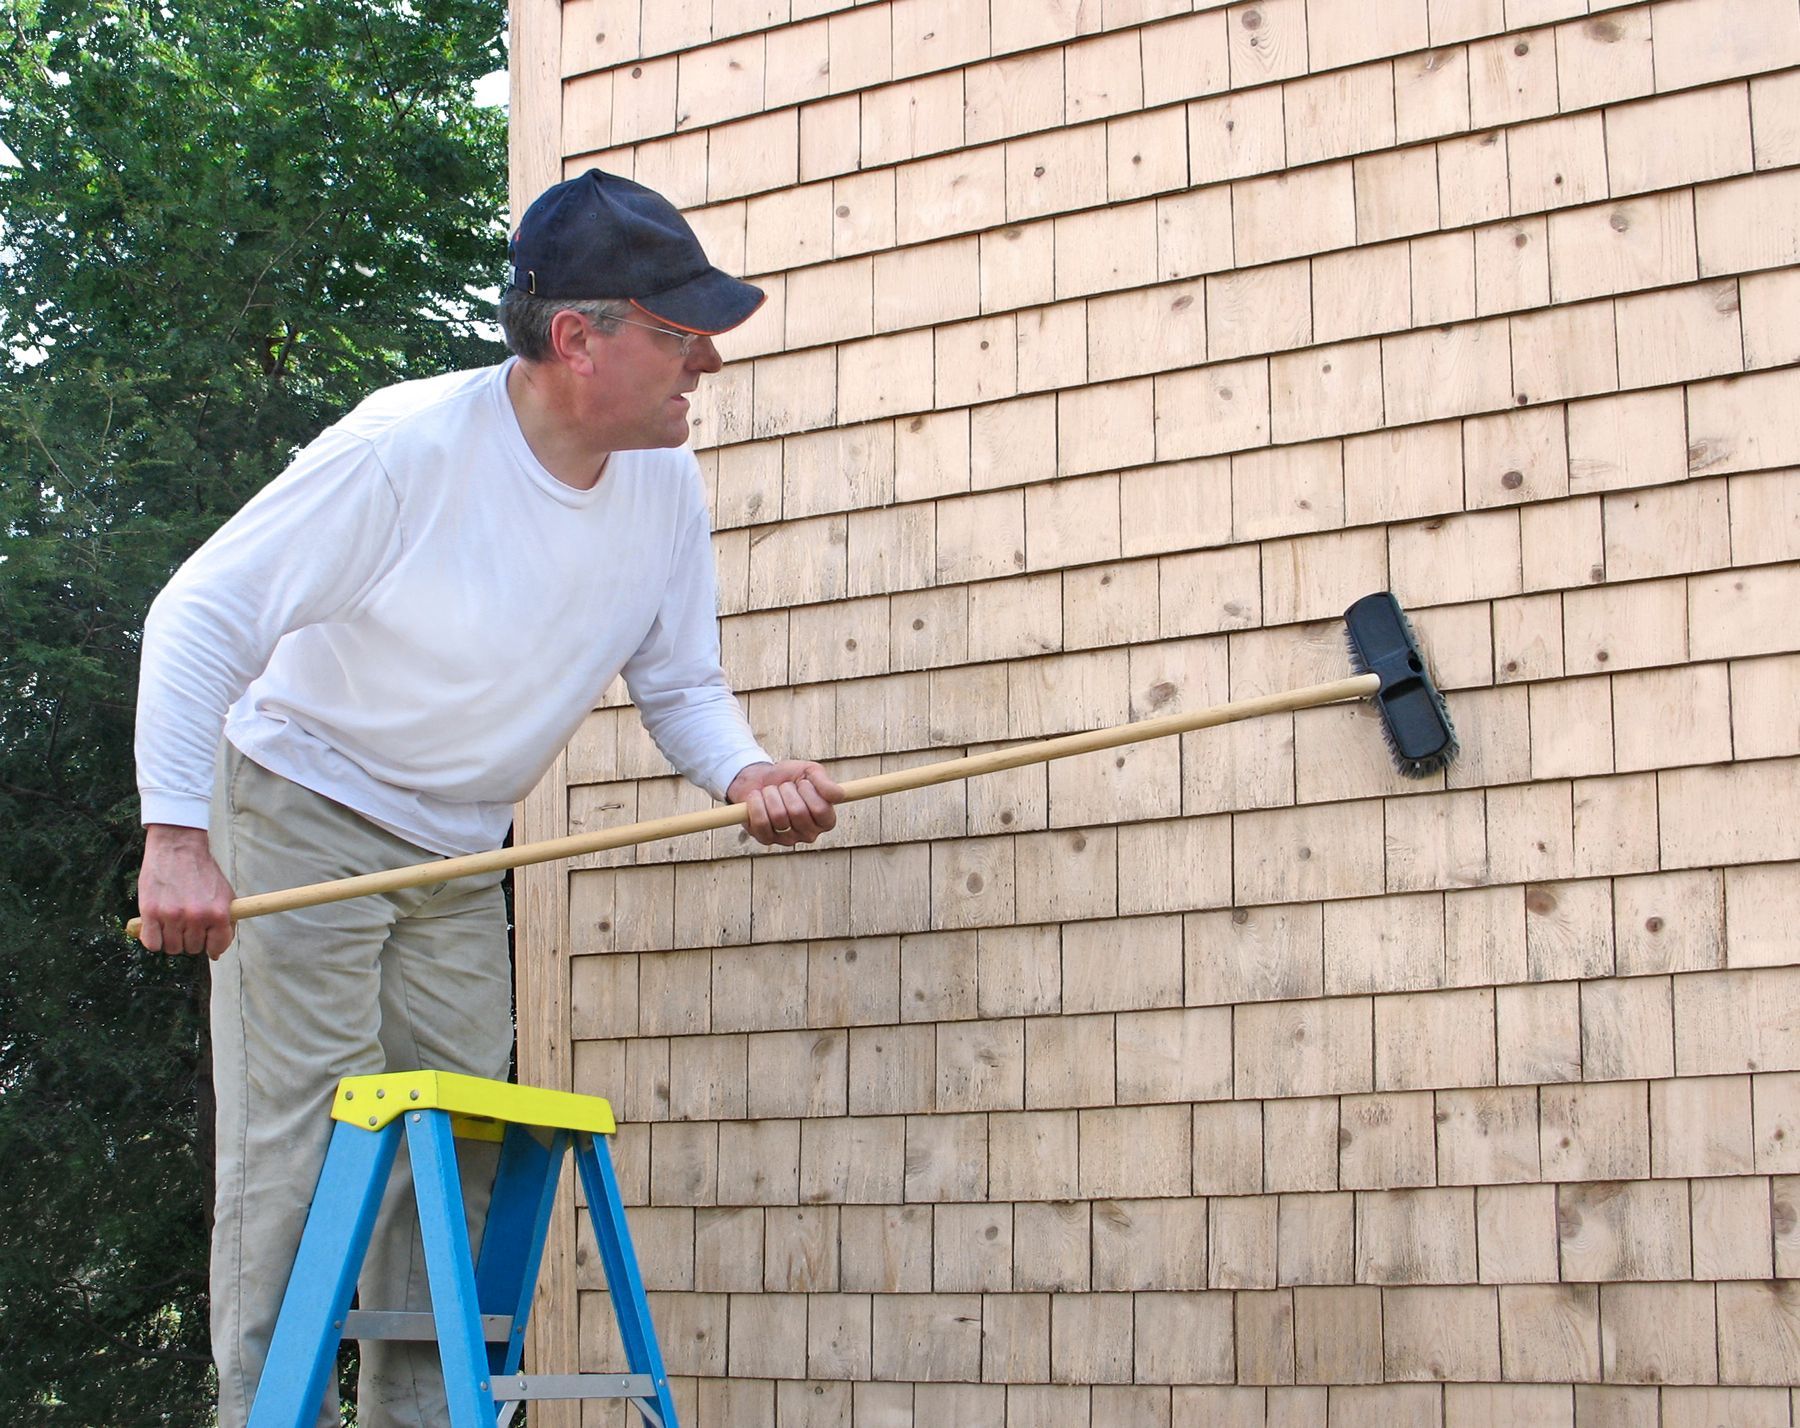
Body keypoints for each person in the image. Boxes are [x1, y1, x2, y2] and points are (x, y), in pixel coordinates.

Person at [131, 169, 843, 1427]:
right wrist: (179, 836)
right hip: (299, 804)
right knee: (303, 1157)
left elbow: (679, 682)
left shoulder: (661, 485)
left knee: (451, 1163)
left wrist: (746, 772)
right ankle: (260, 1413)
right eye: (683, 335)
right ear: (580, 338)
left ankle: (419, 1420)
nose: (710, 364)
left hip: (460, 849)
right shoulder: (406, 451)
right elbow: (199, 616)